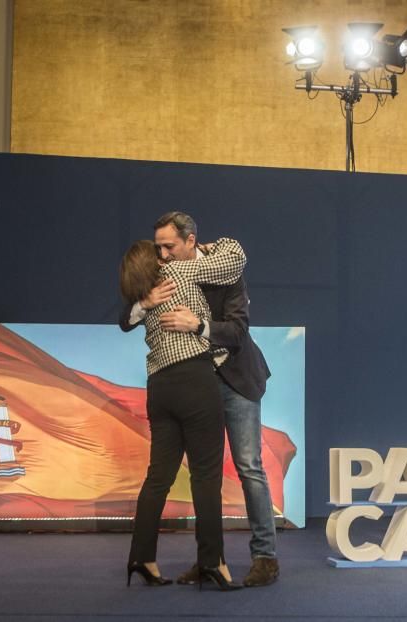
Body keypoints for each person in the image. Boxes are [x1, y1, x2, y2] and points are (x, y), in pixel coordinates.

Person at [119, 212, 279, 588]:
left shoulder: (222, 273)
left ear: (191, 242)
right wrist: (146, 302)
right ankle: (208, 561)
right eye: (158, 247)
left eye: (169, 246)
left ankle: (265, 556)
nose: (163, 254)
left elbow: (238, 331)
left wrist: (199, 325)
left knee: (248, 466)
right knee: (203, 476)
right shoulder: (165, 275)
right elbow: (126, 318)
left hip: (234, 378)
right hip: (196, 384)